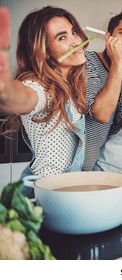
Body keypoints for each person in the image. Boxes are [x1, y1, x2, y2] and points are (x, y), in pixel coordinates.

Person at [0, 6, 88, 198]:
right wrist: (5, 89)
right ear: (44, 51)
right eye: (62, 37)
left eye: (73, 32)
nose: (76, 41)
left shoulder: (71, 86)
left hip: (67, 191)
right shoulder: (40, 87)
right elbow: (23, 97)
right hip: (45, 196)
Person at [83, 11, 122, 171]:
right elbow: (101, 114)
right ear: (108, 36)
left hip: (90, 166)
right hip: (66, 167)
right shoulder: (86, 61)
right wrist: (118, 61)